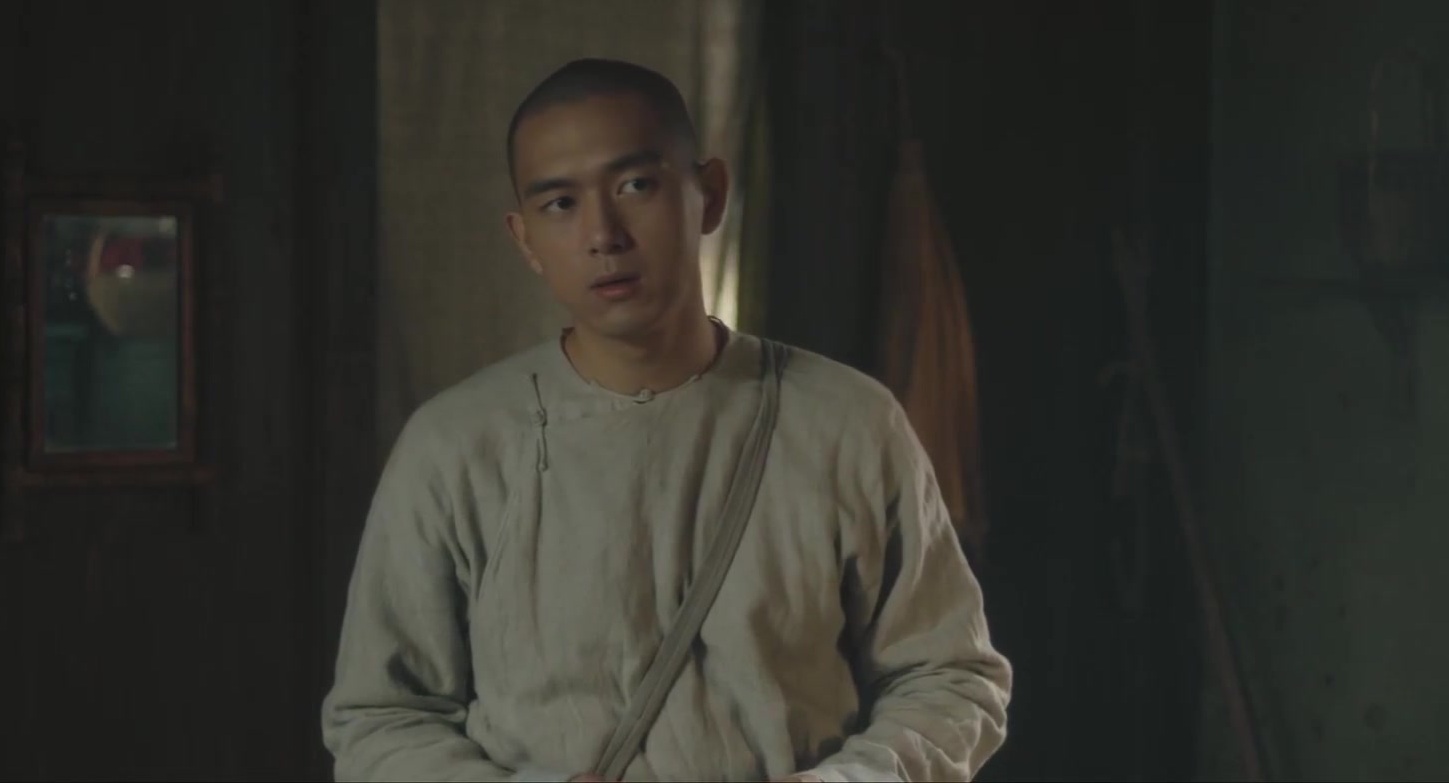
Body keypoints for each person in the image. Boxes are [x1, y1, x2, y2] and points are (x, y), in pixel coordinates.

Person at [322, 58, 1012, 783]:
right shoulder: (455, 447)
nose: (603, 234)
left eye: (635, 186)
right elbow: (381, 719)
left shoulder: (847, 423)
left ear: (708, 195)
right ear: (524, 239)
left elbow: (949, 679)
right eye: (560, 204)